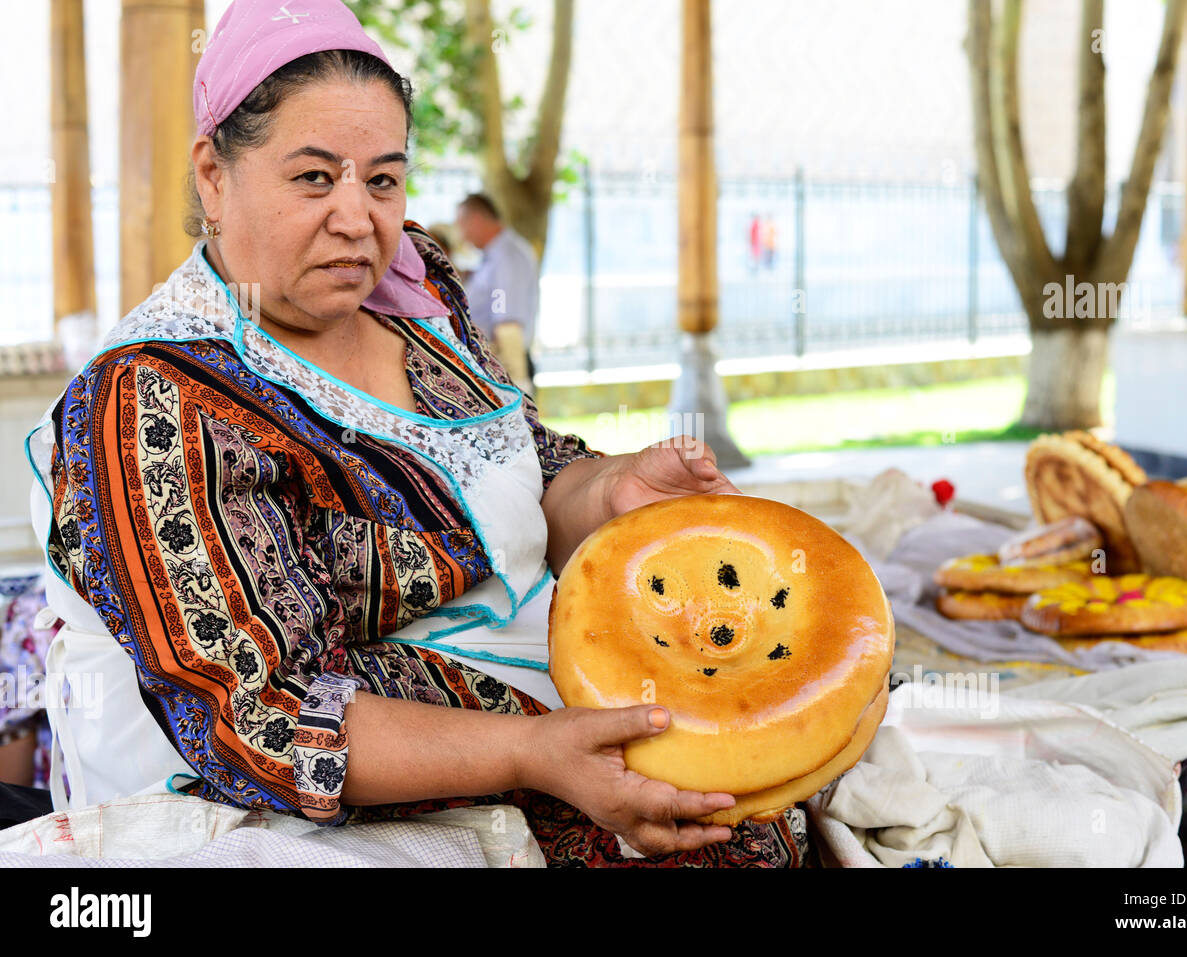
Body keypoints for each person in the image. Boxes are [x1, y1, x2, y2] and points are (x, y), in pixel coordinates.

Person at [25, 0, 811, 866]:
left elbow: (523, 465)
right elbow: (255, 715)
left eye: (384, 179)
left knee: (770, 766)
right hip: (315, 803)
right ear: (213, 173)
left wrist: (613, 489)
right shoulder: (158, 396)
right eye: (315, 178)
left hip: (533, 723)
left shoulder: (416, 293)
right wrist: (533, 753)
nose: (359, 218)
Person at [455, 193, 539, 394]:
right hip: (492, 362)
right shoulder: (494, 256)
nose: (462, 235)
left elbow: (506, 320)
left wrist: (516, 380)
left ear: (475, 220)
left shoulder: (506, 256)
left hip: (503, 363)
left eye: (461, 225)